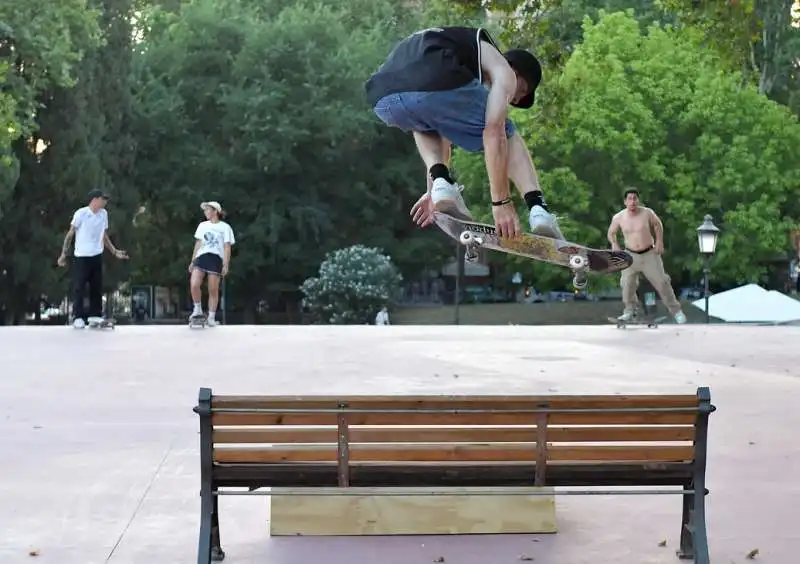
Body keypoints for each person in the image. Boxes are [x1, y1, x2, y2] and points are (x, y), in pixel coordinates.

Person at [365, 26, 563, 241]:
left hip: (383, 98)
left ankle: (441, 181)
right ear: (516, 72)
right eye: (520, 93)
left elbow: (441, 130)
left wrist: (432, 189)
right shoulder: (504, 71)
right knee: (506, 131)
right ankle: (538, 209)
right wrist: (501, 202)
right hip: (434, 79)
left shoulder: (456, 54)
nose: (513, 100)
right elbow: (494, 133)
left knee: (425, 122)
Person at [607, 188, 686, 324]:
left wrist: (659, 241)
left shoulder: (647, 213)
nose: (632, 202)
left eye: (635, 198)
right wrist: (614, 244)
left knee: (662, 282)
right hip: (630, 255)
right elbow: (611, 233)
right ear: (625, 201)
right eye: (629, 199)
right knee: (627, 284)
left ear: (638, 200)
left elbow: (658, 225)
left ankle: (676, 311)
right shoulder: (618, 217)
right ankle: (630, 311)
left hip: (649, 254)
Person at [57, 189, 129, 328]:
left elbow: (104, 235)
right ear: (95, 200)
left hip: (96, 254)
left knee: (96, 286)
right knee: (79, 286)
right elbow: (70, 234)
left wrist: (114, 252)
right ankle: (78, 316)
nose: (105, 202)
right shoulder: (81, 214)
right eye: (103, 199)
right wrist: (63, 254)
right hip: (81, 256)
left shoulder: (103, 214)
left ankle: (95, 315)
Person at [188, 201, 235, 326]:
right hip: (202, 256)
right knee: (194, 284)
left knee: (213, 289)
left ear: (215, 211)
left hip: (215, 258)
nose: (205, 212)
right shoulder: (202, 225)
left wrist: (225, 264)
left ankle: (211, 317)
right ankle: (197, 308)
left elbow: (227, 247)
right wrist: (193, 260)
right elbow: (198, 243)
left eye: (207, 209)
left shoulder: (225, 227)